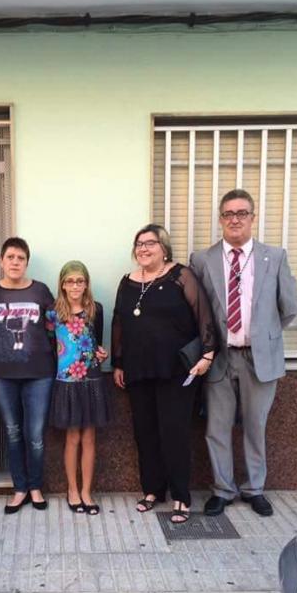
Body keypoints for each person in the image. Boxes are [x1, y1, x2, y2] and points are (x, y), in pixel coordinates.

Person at [190, 189, 297, 518]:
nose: (234, 219)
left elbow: (289, 308)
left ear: (252, 217)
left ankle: (254, 489)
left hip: (259, 358)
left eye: (241, 213)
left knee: (255, 426)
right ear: (220, 219)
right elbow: (197, 311)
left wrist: (262, 333)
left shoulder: (274, 257)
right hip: (220, 359)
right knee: (216, 428)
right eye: (228, 214)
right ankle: (223, 490)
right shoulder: (202, 259)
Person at [112, 224, 216, 523]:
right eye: (139, 244)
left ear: (164, 248)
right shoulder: (127, 282)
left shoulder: (181, 276)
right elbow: (119, 323)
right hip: (138, 369)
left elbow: (203, 314)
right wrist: (118, 363)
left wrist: (208, 353)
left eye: (150, 243)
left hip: (176, 370)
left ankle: (181, 496)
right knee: (145, 433)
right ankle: (152, 490)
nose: (143, 249)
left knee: (175, 433)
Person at [0, 237, 56, 514]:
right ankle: (20, 488)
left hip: (39, 373)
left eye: (20, 258)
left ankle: (35, 487)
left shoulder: (41, 291)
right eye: (10, 257)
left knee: (35, 435)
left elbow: (56, 326)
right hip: (1, 374)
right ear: (1, 261)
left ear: (26, 262)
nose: (15, 262)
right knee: (12, 432)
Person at [47, 261, 112, 515]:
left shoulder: (96, 309)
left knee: (89, 437)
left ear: (86, 284)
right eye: (70, 281)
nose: (75, 286)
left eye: (80, 281)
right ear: (62, 284)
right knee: (72, 436)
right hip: (67, 381)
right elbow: (48, 347)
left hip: (91, 379)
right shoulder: (53, 313)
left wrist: (102, 354)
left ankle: (86, 491)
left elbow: (97, 342)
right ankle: (72, 490)